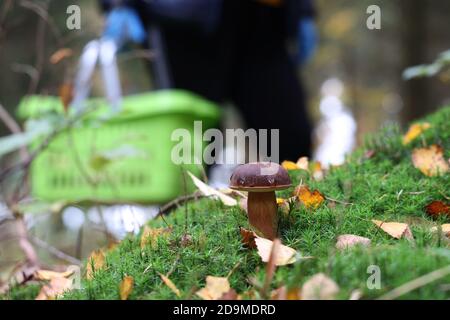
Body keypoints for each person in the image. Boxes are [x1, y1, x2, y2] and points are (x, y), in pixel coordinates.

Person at [99, 0, 317, 162]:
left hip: (261, 18)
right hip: (177, 21)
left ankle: (300, 204)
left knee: (288, 135)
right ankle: (184, 218)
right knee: (189, 149)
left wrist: (302, 8)